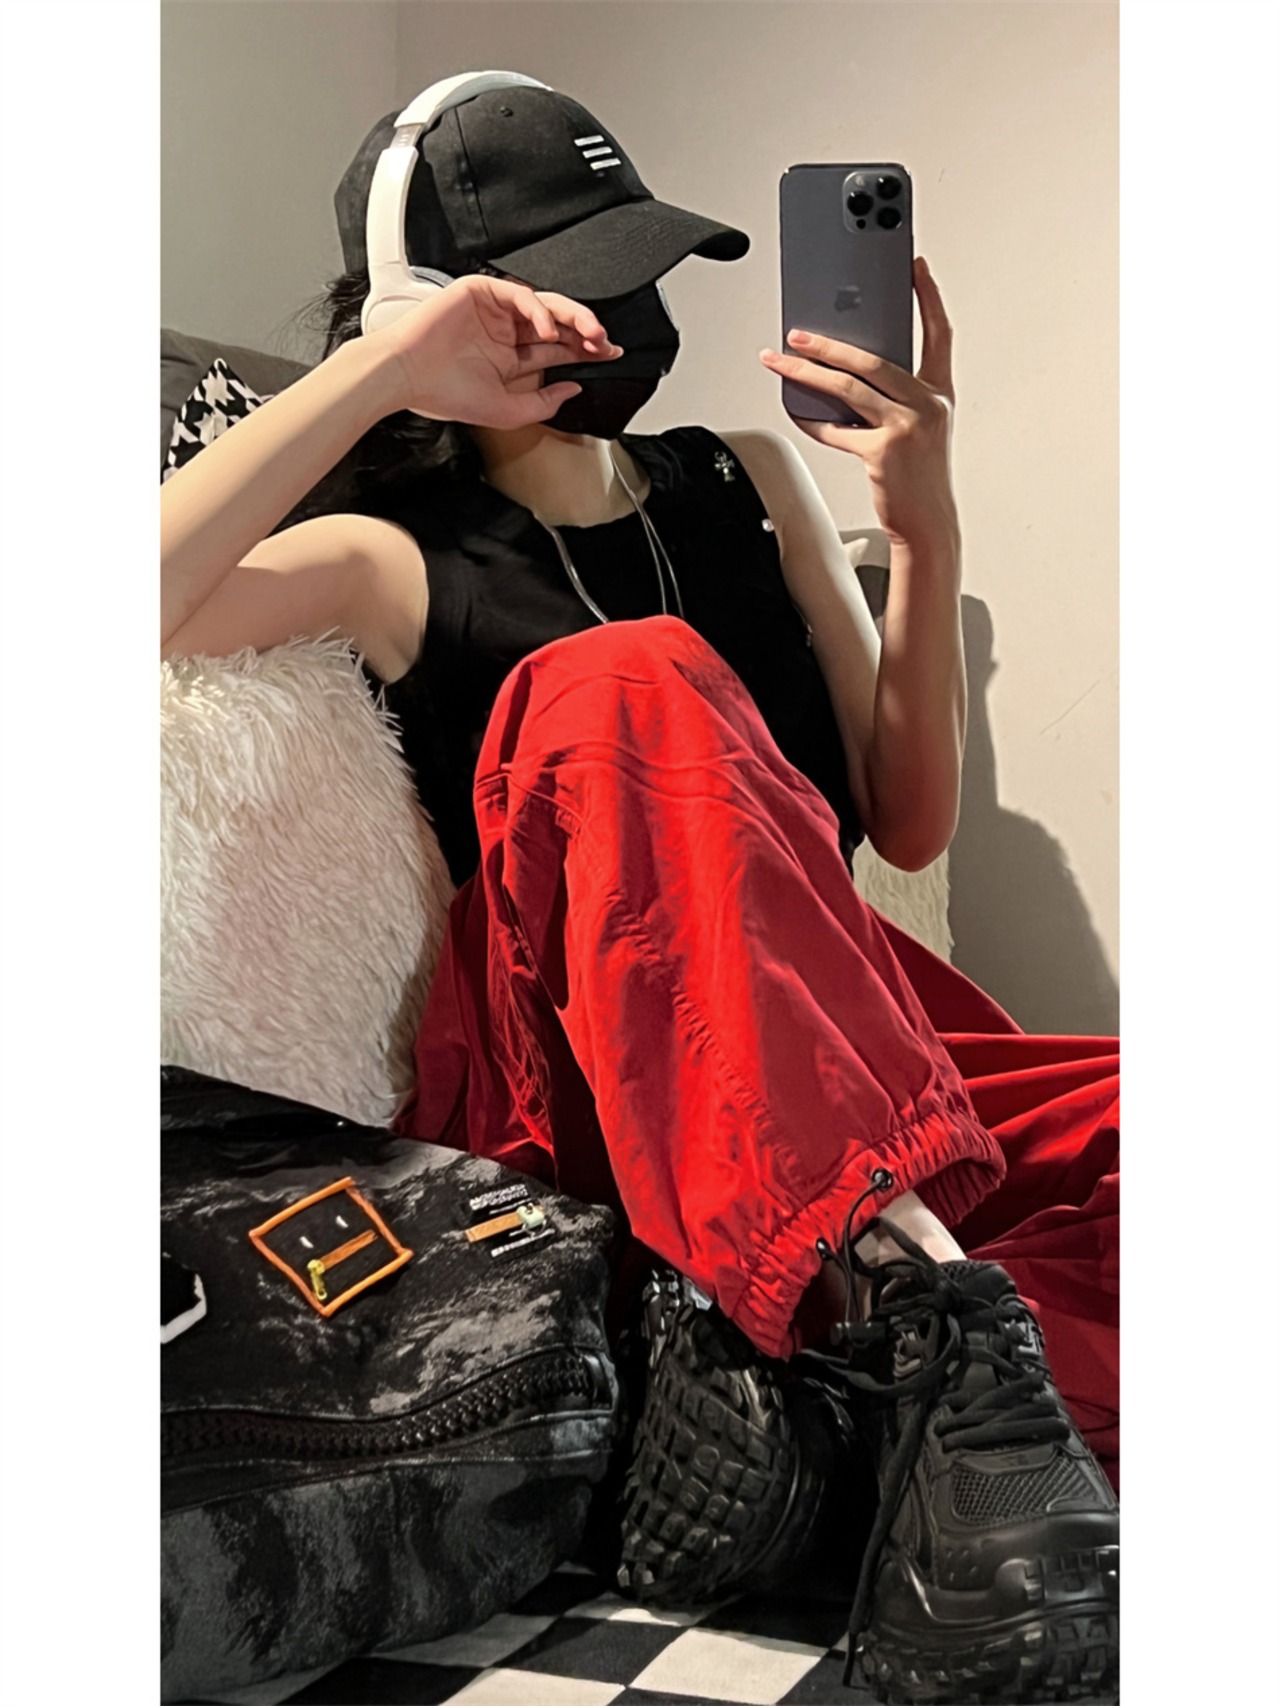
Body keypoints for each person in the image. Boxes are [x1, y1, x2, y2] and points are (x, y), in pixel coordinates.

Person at [160, 74, 1119, 1704]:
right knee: (630, 677)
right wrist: (380, 368)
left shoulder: (742, 477)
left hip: (850, 1045)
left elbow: (903, 822)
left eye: (636, 269)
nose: (616, 317)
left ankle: (816, 1407)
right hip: (595, 1087)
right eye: (569, 282)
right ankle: (908, 1301)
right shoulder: (397, 555)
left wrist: (925, 520)